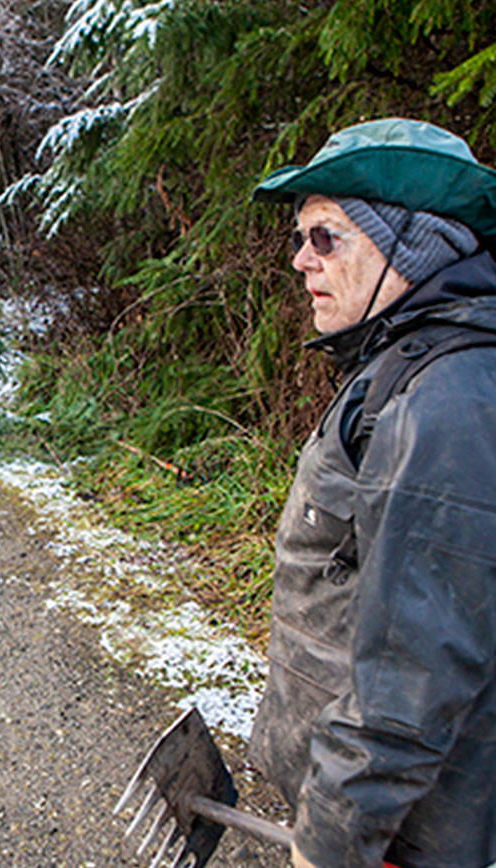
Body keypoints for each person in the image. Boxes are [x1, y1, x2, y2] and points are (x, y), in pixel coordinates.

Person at [249, 117, 496, 868]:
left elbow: (413, 675)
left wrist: (327, 843)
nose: (300, 260)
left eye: (325, 236)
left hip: (405, 836)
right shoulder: (401, 367)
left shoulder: (446, 400)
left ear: (413, 245)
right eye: (300, 237)